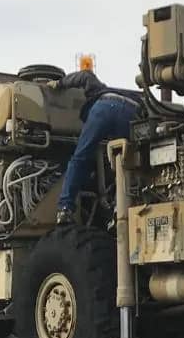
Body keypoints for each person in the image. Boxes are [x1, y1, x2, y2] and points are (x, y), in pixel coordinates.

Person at [56, 70, 140, 223]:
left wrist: (59, 83)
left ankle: (65, 208)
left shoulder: (99, 91)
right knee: (127, 163)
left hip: (104, 107)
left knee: (80, 158)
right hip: (132, 112)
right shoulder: (125, 94)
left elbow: (85, 75)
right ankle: (120, 208)